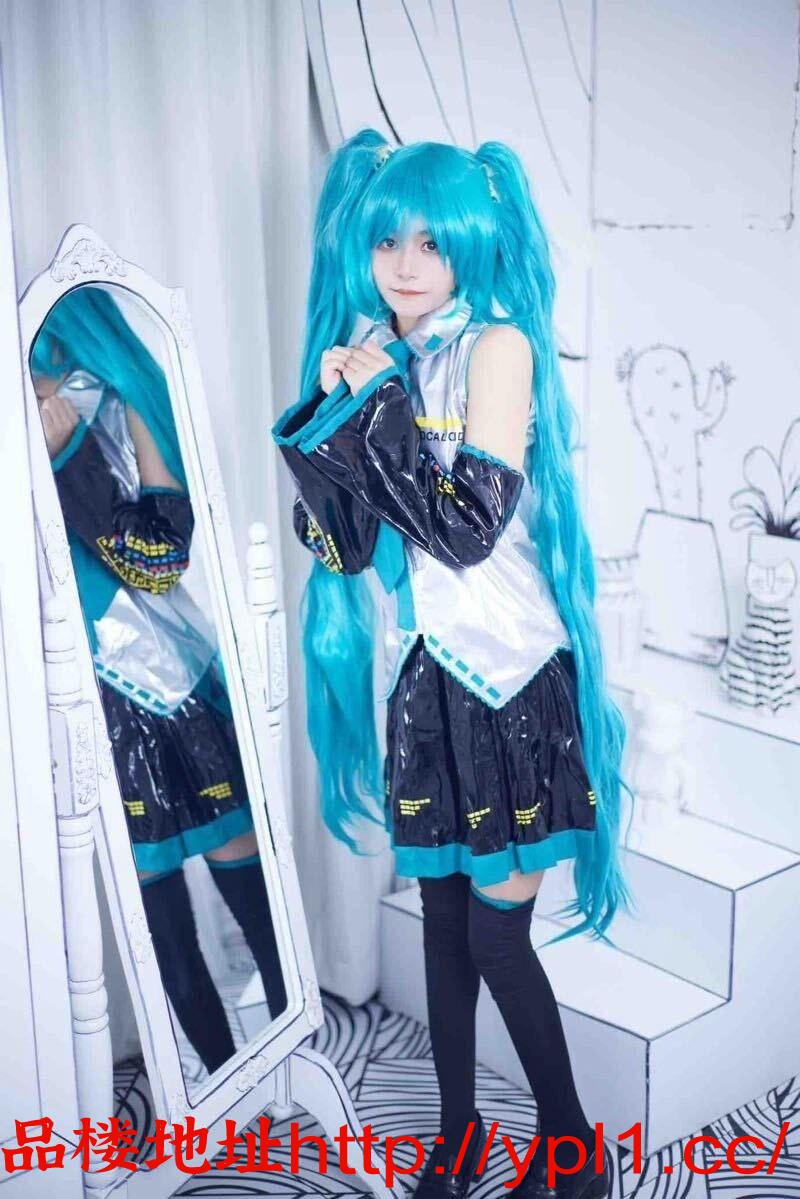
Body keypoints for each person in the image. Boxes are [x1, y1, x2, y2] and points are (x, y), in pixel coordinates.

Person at [273, 130, 630, 1199]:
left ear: (472, 241)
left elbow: (468, 530)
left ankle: (573, 1153)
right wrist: (332, 421)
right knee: (439, 923)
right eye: (388, 239)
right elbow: (345, 549)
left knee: (496, 938)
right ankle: (459, 1135)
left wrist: (375, 403)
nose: (406, 263)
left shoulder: (496, 349)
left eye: (432, 241)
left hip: (513, 682)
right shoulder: (380, 350)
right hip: (428, 677)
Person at [32, 285, 286, 1076]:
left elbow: (162, 558)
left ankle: (285, 1068)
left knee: (256, 906)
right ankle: (224, 1093)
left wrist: (71, 455)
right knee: (163, 939)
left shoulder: (116, 395)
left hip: (167, 688)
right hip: (75, 704)